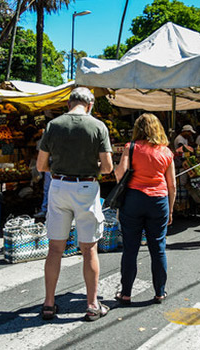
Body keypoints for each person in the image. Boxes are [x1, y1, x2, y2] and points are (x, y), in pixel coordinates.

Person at [36, 87, 113, 322]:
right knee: (89, 248)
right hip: (86, 188)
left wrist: (59, 171)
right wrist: (90, 171)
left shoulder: (54, 125)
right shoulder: (98, 126)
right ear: (89, 105)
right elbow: (108, 167)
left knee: (55, 248)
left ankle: (49, 303)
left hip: (59, 187)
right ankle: (91, 305)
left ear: (69, 104)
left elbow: (41, 165)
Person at [114, 113, 175, 305]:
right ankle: (160, 292)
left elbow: (119, 174)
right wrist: (171, 210)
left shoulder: (131, 148)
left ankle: (126, 293)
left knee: (130, 249)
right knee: (158, 248)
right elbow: (171, 184)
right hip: (159, 201)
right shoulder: (166, 152)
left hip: (133, 199)